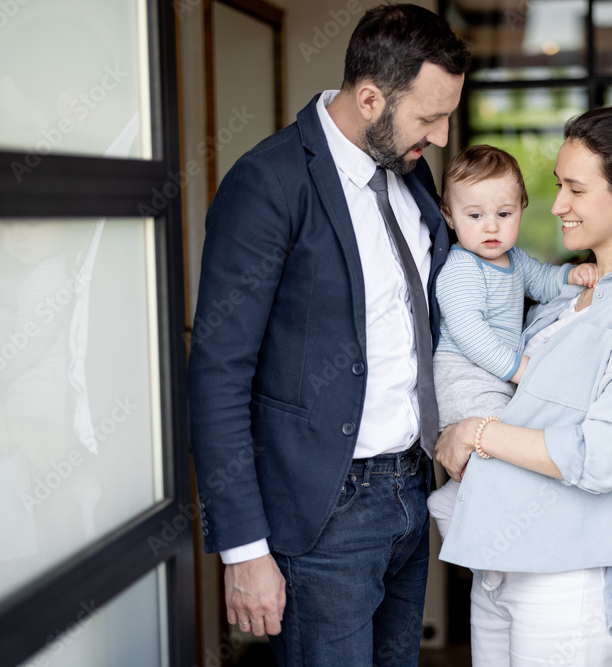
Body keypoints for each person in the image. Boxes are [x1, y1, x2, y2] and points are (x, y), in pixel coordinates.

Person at [187, 5, 470, 666]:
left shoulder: (411, 172)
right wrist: (245, 549)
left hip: (409, 489)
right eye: (429, 116)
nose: (442, 133)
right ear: (370, 98)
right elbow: (218, 373)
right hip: (323, 512)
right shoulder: (268, 183)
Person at [434, 105, 612, 665]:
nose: (558, 204)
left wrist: (475, 431)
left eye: (575, 189)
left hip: (565, 574)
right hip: (500, 560)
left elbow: (604, 453)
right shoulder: (571, 292)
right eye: (559, 185)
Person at [426, 145, 596, 539]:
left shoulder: (513, 259)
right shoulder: (461, 268)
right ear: (449, 216)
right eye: (474, 216)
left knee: (506, 447)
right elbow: (469, 333)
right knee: (508, 441)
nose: (491, 227)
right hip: (462, 376)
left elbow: (542, 281)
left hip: (492, 375)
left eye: (504, 214)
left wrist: (572, 276)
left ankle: (455, 496)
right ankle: (459, 507)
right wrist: (518, 369)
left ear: (521, 207)